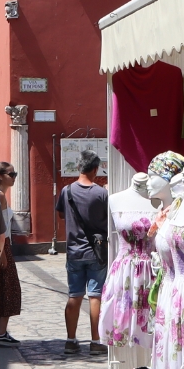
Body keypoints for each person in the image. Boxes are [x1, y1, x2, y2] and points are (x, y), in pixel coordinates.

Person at [56, 151, 110, 355]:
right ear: (95, 169)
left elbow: (61, 214)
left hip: (74, 251)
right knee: (95, 296)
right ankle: (96, 341)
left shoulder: (66, 191)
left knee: (74, 295)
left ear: (79, 167)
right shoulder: (102, 194)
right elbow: (108, 219)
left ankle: (71, 340)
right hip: (97, 252)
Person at [0, 160, 24, 348]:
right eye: (11, 174)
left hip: (1, 245)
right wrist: (1, 253)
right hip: (1, 245)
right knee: (8, 289)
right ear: (0, 176)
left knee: (1, 288)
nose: (14, 177)